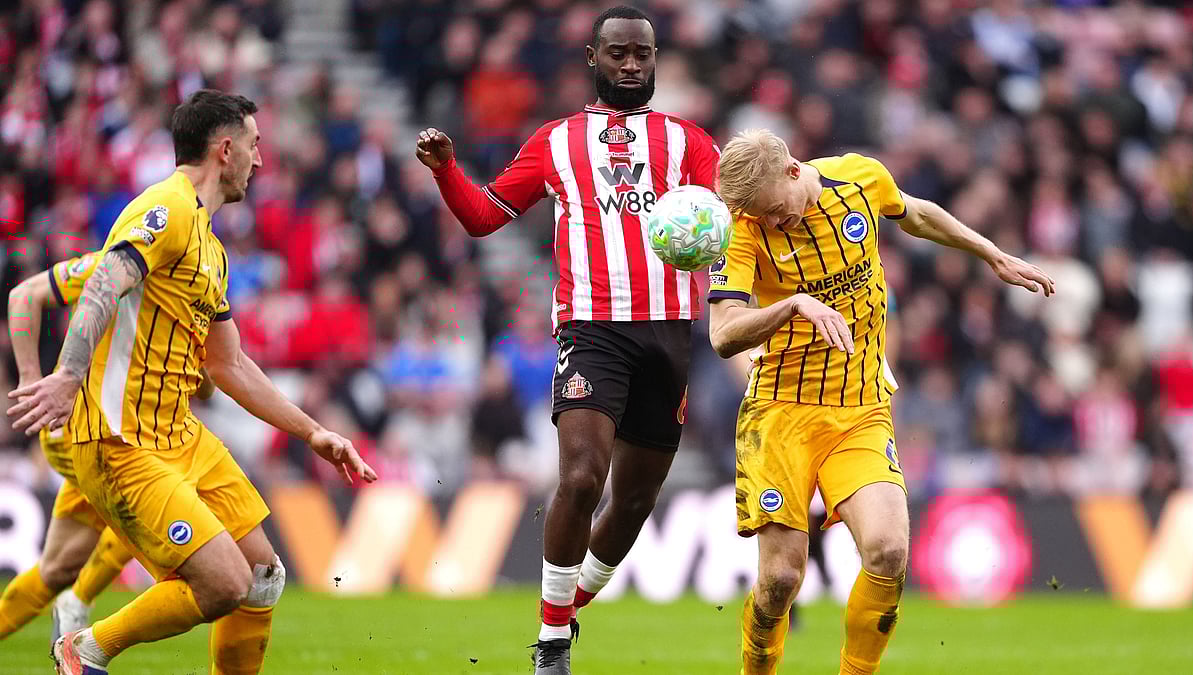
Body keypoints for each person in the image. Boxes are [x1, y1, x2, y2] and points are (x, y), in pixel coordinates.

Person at [7, 89, 377, 675]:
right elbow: (103, 283)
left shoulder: (210, 247)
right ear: (225, 150)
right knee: (224, 582)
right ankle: (84, 650)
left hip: (179, 437)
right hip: (120, 439)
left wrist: (315, 433)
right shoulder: (167, 209)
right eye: (254, 147)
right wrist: (65, 376)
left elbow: (228, 365)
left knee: (262, 577)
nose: (261, 161)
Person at [415, 6, 719, 673]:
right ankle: (551, 645)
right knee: (582, 476)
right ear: (593, 58)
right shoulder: (555, 141)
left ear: (657, 57)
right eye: (618, 53)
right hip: (590, 329)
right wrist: (446, 170)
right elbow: (483, 217)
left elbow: (727, 226)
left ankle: (568, 604)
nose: (631, 64)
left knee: (635, 501)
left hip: (668, 336)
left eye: (642, 53)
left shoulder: (691, 143)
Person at [707, 129, 1054, 675]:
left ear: (795, 171)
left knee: (889, 552)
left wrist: (990, 253)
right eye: (761, 216)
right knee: (779, 582)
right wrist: (794, 305)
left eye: (776, 210)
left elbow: (915, 212)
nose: (772, 222)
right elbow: (723, 334)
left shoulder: (859, 178)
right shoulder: (743, 228)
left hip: (860, 409)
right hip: (780, 411)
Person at [0, 250, 218, 646]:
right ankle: (81, 603)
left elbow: (205, 385)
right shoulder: (116, 265)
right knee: (153, 498)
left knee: (58, 568)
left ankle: (75, 599)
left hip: (125, 434)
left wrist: (194, 363)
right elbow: (24, 296)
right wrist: (31, 378)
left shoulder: (188, 289)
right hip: (85, 428)